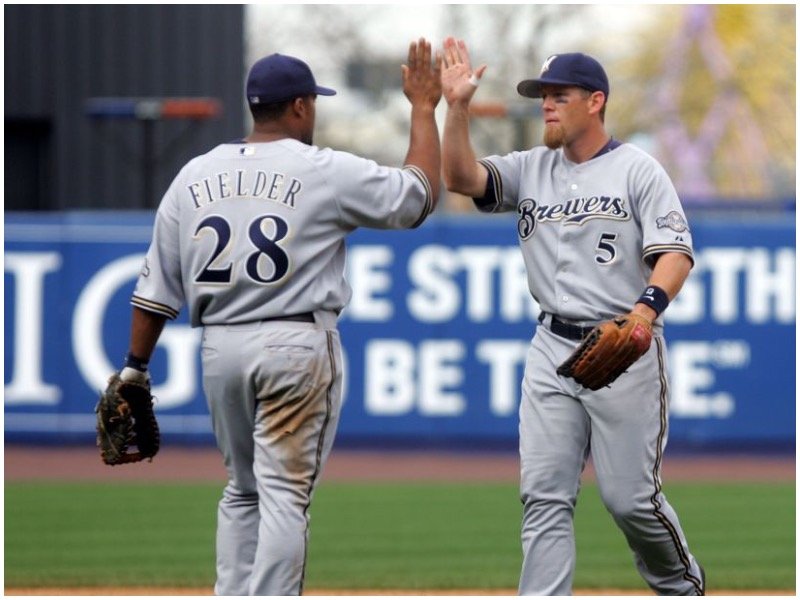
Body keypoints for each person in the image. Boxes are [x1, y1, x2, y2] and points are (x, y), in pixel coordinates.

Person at [116, 39, 442, 595]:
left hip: (221, 348)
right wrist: (422, 108)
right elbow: (418, 196)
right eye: (312, 101)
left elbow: (154, 294)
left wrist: (133, 371)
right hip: (295, 342)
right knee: (286, 494)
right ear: (299, 107)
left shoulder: (193, 175)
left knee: (242, 490)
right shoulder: (321, 169)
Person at [440, 37, 705, 595]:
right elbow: (462, 179)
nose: (547, 104)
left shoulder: (638, 170)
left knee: (631, 501)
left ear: (596, 101)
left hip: (625, 345)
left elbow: (675, 254)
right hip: (551, 347)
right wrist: (456, 107)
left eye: (559, 94)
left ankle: (682, 587)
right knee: (543, 496)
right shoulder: (529, 169)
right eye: (543, 96)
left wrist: (644, 312)